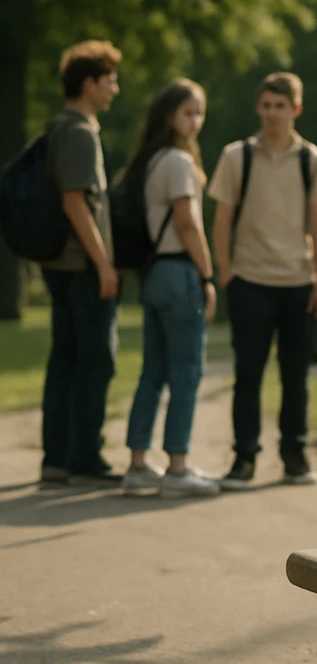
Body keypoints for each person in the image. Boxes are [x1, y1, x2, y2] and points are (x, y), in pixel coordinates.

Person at [208, 73, 317, 488]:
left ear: (296, 109)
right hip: (250, 279)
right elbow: (222, 217)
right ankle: (244, 458)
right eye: (266, 105)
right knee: (248, 374)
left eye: (281, 106)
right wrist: (224, 271)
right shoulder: (236, 156)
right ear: (258, 108)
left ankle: (295, 455)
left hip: (298, 279)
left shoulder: (309, 159)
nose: (272, 113)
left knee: (295, 375)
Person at [121, 80, 219, 498]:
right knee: (186, 372)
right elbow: (188, 224)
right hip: (179, 273)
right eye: (187, 113)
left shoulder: (151, 161)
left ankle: (138, 464)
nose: (194, 121)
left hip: (154, 273)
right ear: (169, 117)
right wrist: (209, 274)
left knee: (154, 371)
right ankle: (177, 468)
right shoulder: (178, 162)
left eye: (199, 112)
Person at [38, 40, 122, 487]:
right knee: (94, 360)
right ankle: (83, 457)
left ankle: (59, 458)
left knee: (67, 359)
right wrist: (104, 264)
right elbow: (75, 203)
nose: (115, 88)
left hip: (63, 265)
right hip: (80, 267)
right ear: (89, 83)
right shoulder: (78, 132)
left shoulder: (62, 128)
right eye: (109, 80)